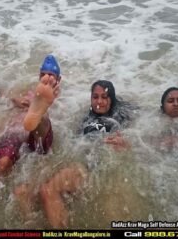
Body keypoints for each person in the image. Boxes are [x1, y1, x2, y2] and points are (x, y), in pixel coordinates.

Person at [17, 80, 138, 228]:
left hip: (94, 165)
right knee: (22, 191)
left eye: (104, 97)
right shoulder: (86, 118)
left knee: (48, 190)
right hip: (78, 157)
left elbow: (137, 138)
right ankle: (32, 226)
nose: (99, 101)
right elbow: (73, 141)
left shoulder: (120, 118)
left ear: (112, 99)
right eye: (95, 97)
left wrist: (126, 143)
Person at [0, 55, 61, 181]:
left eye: (50, 75)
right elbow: (9, 98)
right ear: (39, 76)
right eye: (43, 75)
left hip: (39, 132)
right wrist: (17, 101)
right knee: (3, 163)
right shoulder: (29, 92)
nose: (46, 78)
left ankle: (40, 114)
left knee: (43, 121)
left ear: (58, 79)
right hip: (19, 132)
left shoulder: (64, 101)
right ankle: (37, 113)